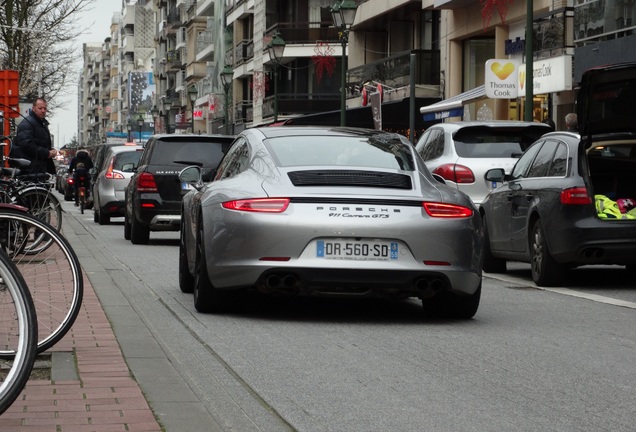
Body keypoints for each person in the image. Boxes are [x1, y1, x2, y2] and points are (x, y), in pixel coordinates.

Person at [10, 97, 57, 176]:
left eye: (45, 108)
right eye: (40, 108)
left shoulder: (40, 124)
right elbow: (27, 145)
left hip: (36, 167)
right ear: (33, 108)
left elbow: (39, 143)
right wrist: (47, 153)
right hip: (30, 169)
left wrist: (50, 150)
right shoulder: (28, 123)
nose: (43, 111)